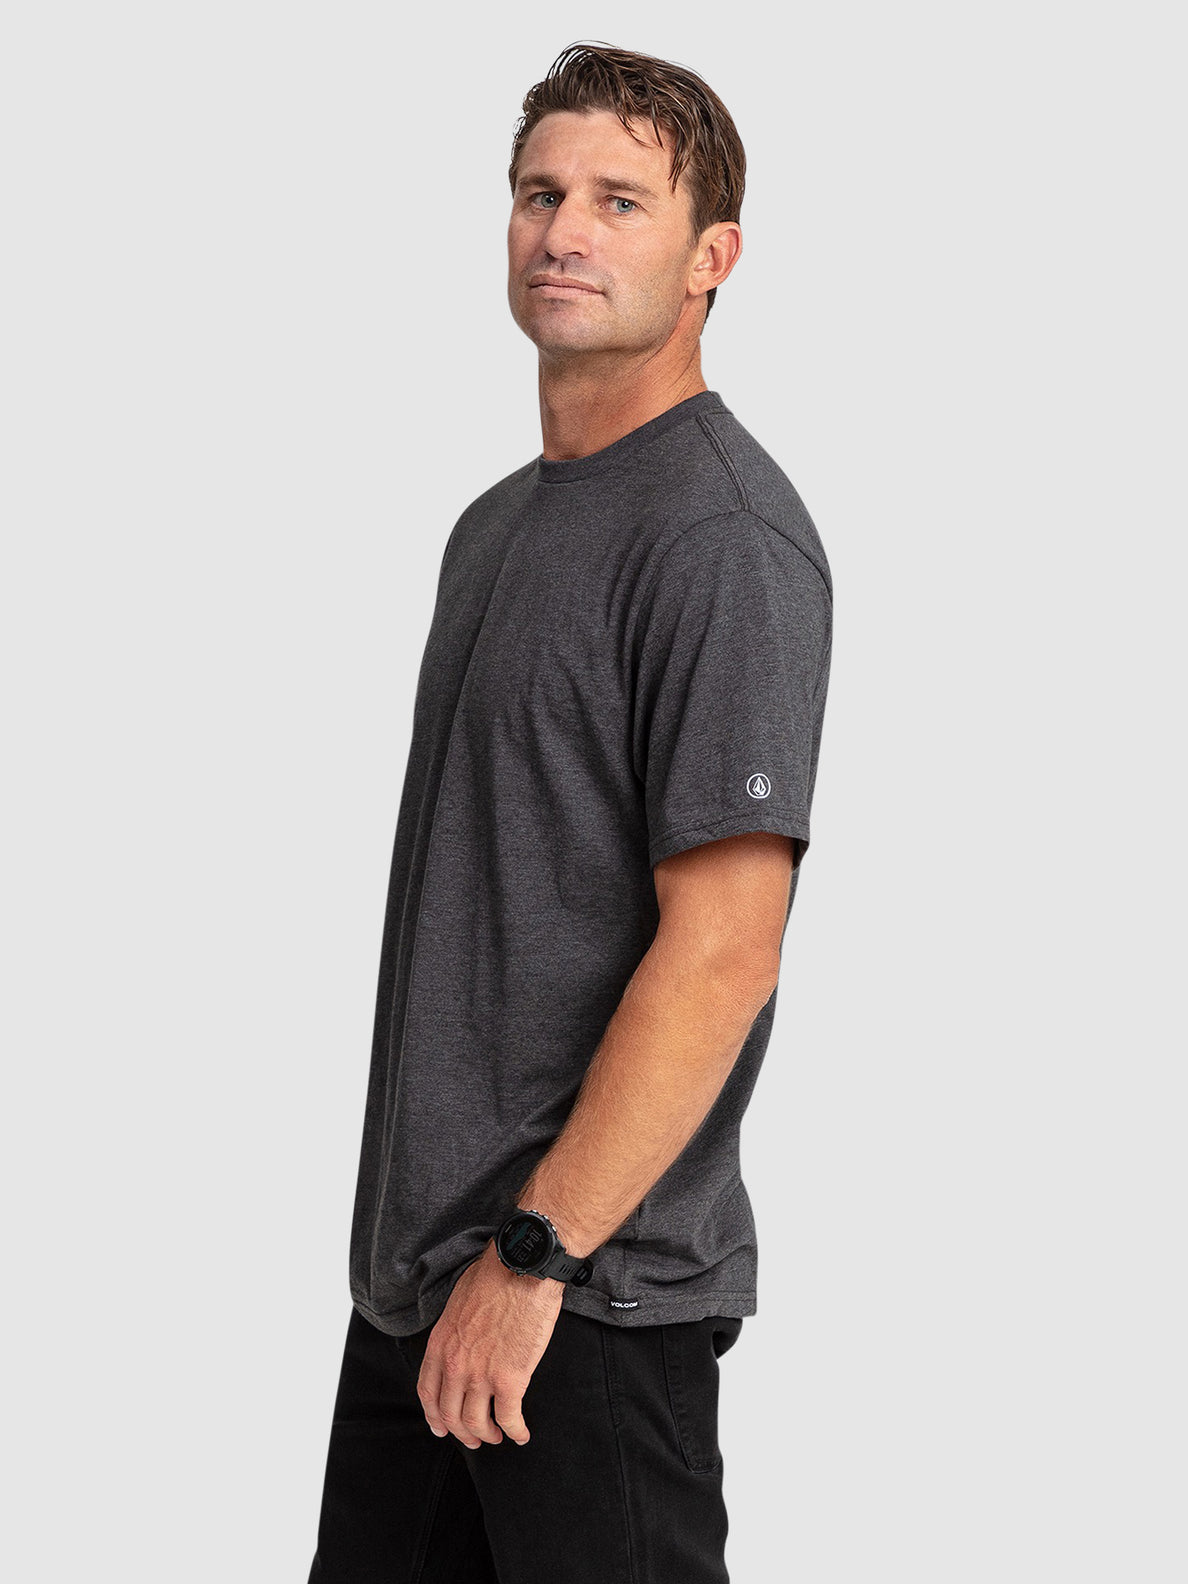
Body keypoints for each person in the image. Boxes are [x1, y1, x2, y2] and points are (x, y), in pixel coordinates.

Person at [307, 40, 833, 1584]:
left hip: (583, 1304)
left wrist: (535, 1256)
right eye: (541, 194)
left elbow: (726, 951)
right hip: (419, 1296)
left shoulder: (722, 538)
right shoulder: (497, 527)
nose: (565, 231)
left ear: (712, 257)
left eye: (620, 200)